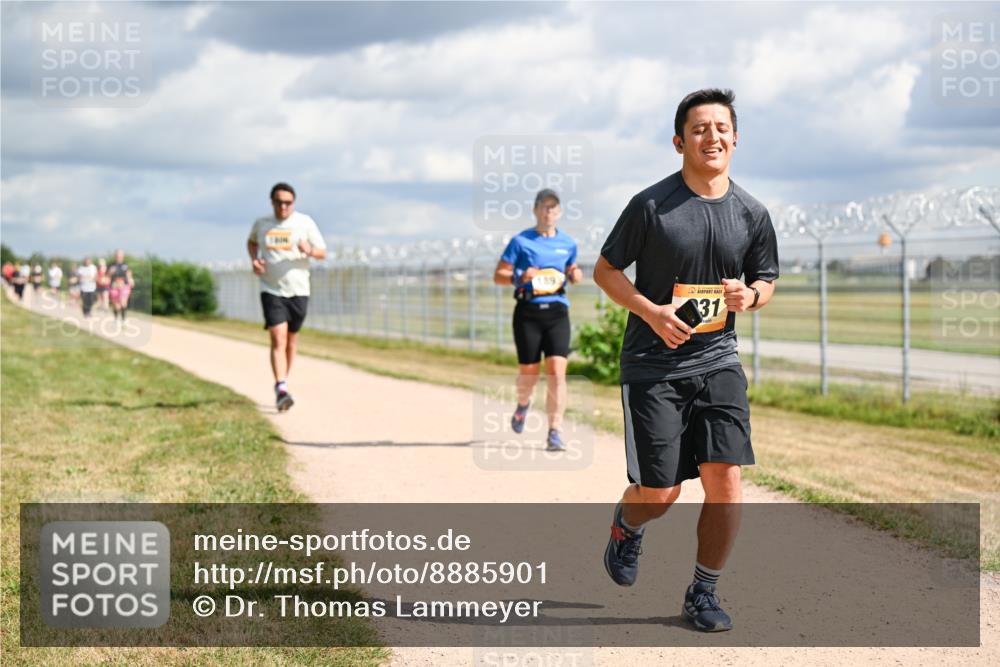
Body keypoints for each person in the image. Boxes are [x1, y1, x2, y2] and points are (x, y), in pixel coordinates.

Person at [594, 89, 779, 632]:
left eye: (721, 127)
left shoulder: (752, 212)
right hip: (654, 367)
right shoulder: (651, 206)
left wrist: (752, 296)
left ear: (736, 137)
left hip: (719, 361)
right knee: (661, 492)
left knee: (727, 480)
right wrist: (651, 313)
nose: (712, 137)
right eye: (700, 129)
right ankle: (628, 525)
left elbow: (766, 279)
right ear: (679, 141)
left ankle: (703, 591)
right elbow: (606, 271)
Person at [493, 189, 583, 452]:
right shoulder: (520, 241)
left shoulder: (568, 243)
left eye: (553, 208)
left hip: (557, 311)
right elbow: (498, 275)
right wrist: (521, 275)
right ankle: (523, 403)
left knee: (556, 372)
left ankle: (554, 431)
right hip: (528, 312)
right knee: (529, 374)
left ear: (560, 212)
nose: (548, 213)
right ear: (535, 210)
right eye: (544, 207)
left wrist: (575, 273)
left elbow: (571, 270)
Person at [247, 182, 327, 411]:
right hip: (271, 289)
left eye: (288, 203)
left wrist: (309, 250)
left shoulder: (304, 223)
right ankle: (281, 387)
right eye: (279, 202)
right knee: (278, 338)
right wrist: (255, 260)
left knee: (291, 341)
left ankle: (283, 381)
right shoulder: (262, 225)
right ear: (272, 202)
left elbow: (322, 252)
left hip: (299, 290)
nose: (283, 207)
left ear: (294, 203)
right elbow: (252, 242)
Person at [108, 250, 134, 320]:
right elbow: (107, 276)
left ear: (123, 256)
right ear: (115, 256)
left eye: (120, 256)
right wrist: (110, 273)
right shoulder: (111, 265)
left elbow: (129, 275)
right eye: (117, 256)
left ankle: (123, 320)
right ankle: (116, 319)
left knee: (123, 303)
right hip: (114, 286)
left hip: (124, 286)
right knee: (116, 306)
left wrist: (131, 280)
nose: (119, 257)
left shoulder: (126, 265)